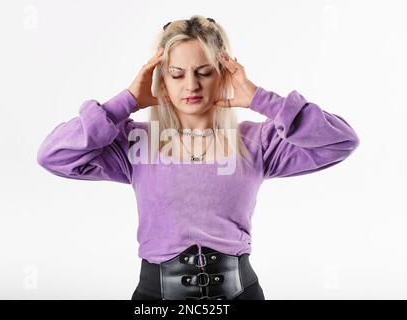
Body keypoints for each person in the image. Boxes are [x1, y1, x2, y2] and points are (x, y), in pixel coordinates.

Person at [36, 15, 360, 300]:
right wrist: (127, 101)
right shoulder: (136, 142)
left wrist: (264, 100)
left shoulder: (257, 141)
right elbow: (53, 154)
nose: (191, 85)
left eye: (204, 72)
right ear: (161, 78)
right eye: (176, 74)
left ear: (223, 74)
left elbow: (340, 141)